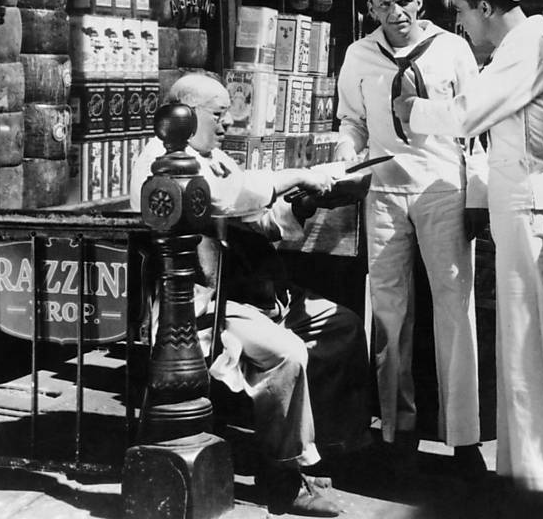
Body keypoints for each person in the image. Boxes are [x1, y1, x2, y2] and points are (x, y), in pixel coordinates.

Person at [130, 73, 372, 517]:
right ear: (182, 115)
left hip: (252, 291)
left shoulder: (212, 155)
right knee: (287, 354)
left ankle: (328, 448)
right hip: (202, 304)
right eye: (218, 116)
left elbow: (257, 217)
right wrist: (298, 173)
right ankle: (284, 476)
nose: (227, 125)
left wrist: (305, 199)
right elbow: (226, 199)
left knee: (342, 326)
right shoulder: (159, 162)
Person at [394, 0, 543, 497]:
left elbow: (466, 114)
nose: (460, 24)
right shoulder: (526, 42)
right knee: (524, 344)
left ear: (485, 5)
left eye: (461, 12)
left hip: (529, 206)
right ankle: (531, 471)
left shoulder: (525, 46)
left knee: (533, 343)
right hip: (520, 205)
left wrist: (413, 109)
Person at [333, 0, 487, 475]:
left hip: (442, 188)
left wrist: (476, 197)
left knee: (454, 306)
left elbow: (477, 127)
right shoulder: (359, 55)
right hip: (384, 189)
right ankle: (398, 431)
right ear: (369, 9)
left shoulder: (453, 50)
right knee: (389, 311)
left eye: (403, 1)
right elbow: (352, 120)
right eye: (383, 5)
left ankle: (465, 440)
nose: (395, 13)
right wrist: (344, 158)